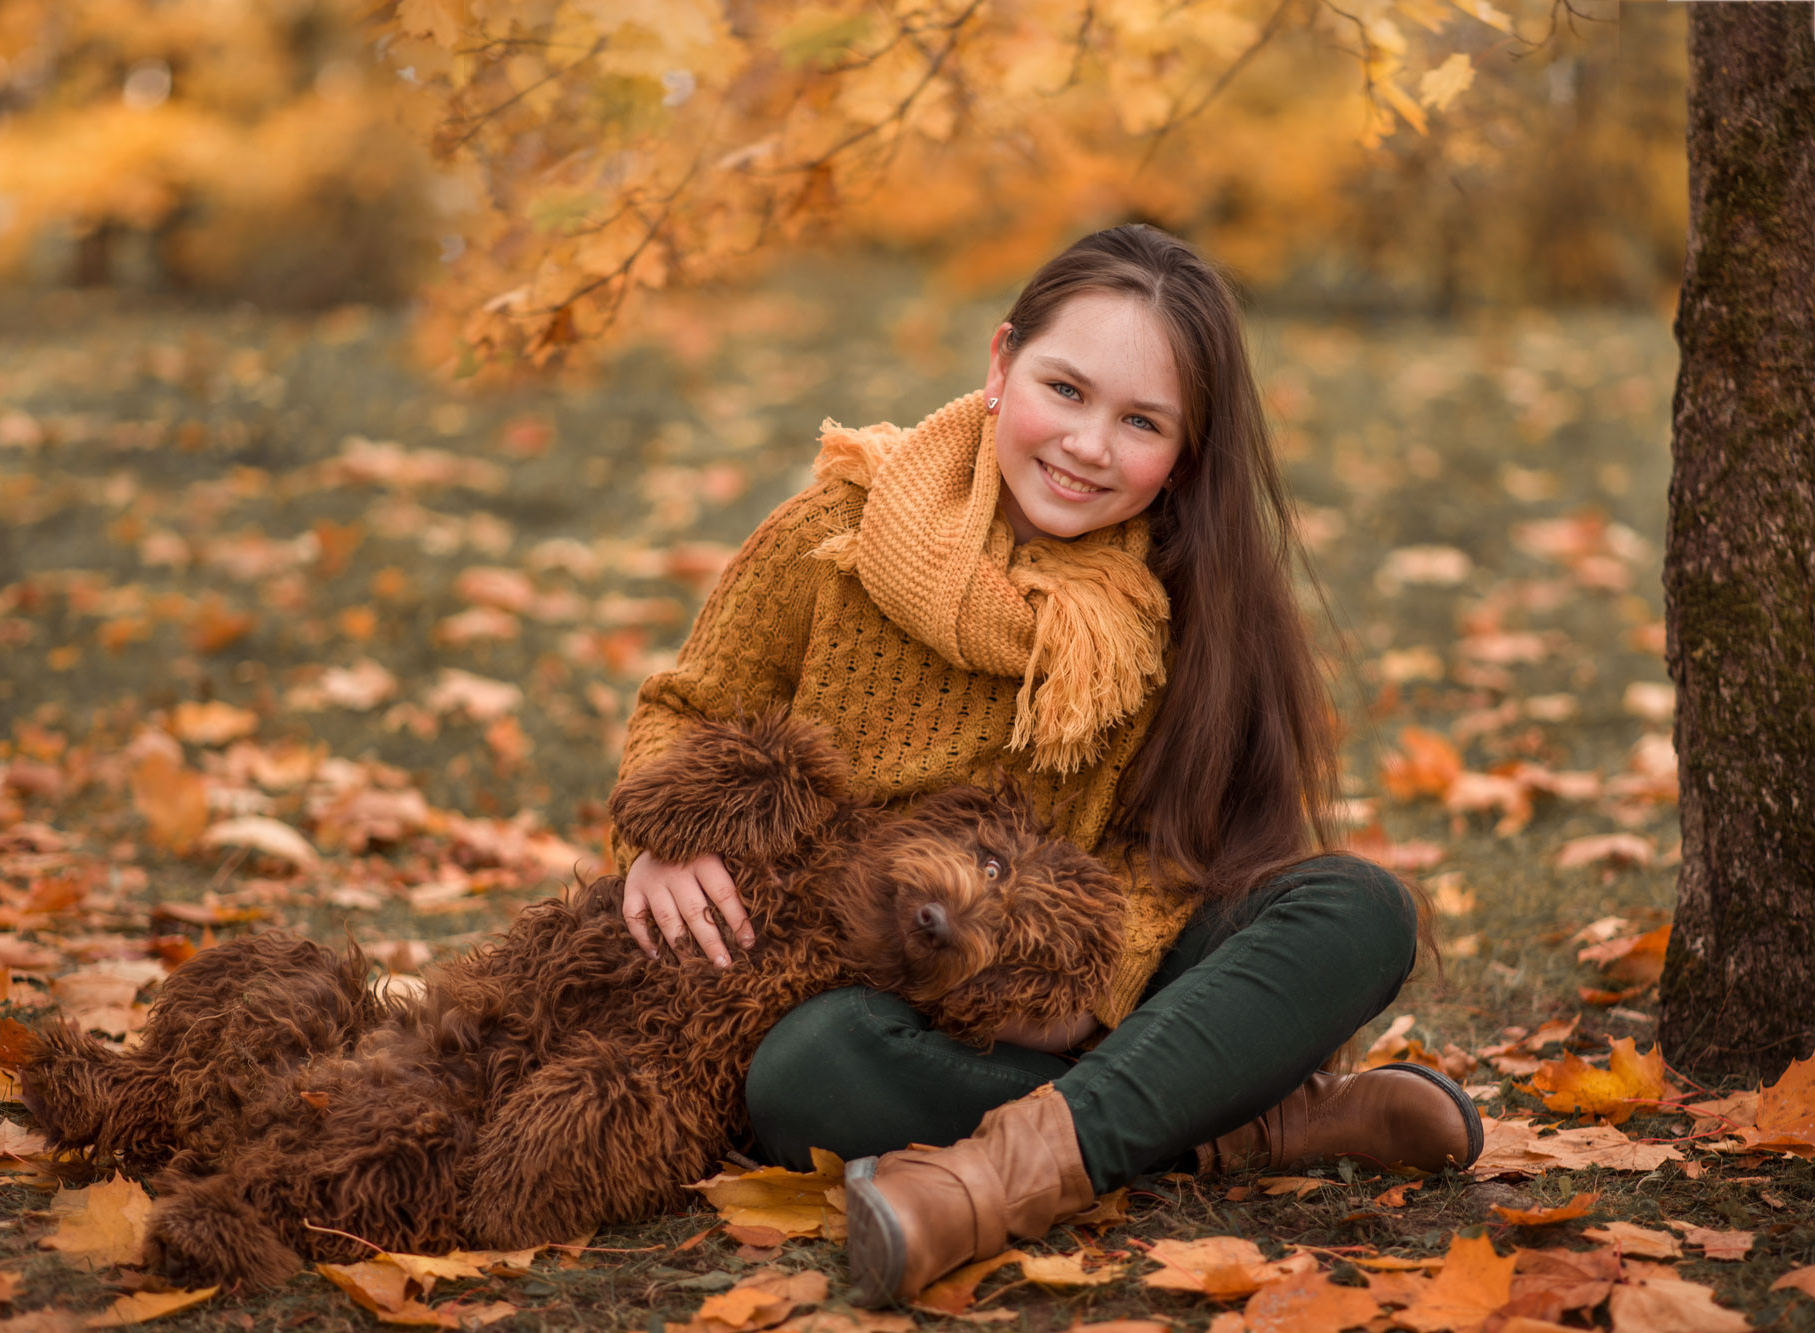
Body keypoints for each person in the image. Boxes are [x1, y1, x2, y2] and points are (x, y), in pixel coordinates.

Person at [608, 223, 1480, 1305]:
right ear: (997, 364)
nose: (1087, 445)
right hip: (860, 990)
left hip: (1054, 979)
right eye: (1063, 390)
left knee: (1360, 911)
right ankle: (1234, 1118)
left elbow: (1174, 861)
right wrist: (658, 837)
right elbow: (682, 711)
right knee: (805, 1075)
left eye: (1140, 421)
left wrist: (1082, 995)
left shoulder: (1184, 608)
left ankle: (983, 1182)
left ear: (1185, 451)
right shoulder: (835, 530)